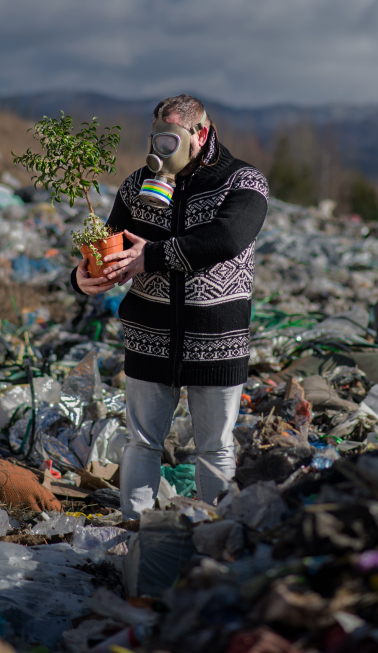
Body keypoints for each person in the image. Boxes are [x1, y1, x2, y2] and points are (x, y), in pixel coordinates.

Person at [71, 94, 268, 520]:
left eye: (171, 139)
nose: (162, 148)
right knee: (142, 441)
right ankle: (133, 535)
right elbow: (111, 241)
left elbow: (226, 239)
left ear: (200, 133)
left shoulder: (243, 182)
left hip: (217, 340)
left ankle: (216, 540)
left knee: (215, 446)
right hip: (149, 335)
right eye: (157, 138)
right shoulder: (137, 184)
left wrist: (152, 256)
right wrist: (84, 275)